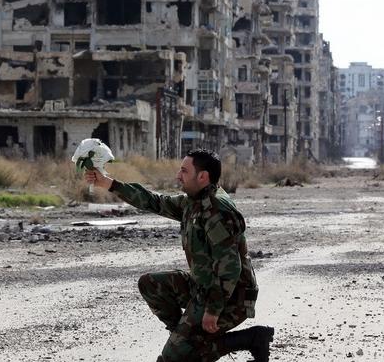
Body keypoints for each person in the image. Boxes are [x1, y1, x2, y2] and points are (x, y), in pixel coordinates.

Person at [85, 149, 274, 362]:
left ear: (202, 177)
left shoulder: (216, 211)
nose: (178, 175)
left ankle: (250, 338)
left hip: (230, 298)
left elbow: (230, 267)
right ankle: (187, 340)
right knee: (150, 284)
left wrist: (213, 310)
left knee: (172, 359)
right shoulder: (192, 202)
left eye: (184, 171)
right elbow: (153, 201)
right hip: (203, 287)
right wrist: (109, 183)